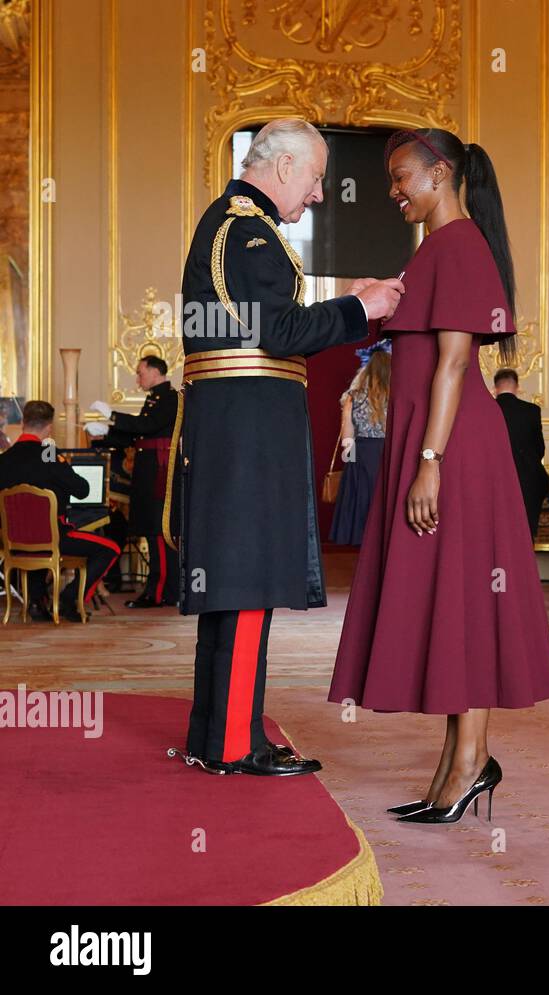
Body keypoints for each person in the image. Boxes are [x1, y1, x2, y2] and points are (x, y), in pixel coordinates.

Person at [329, 127, 549, 824]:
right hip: (435, 444)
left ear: (442, 173)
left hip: (454, 451)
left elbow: (456, 365)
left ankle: (468, 763)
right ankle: (458, 765)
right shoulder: (436, 248)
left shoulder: (459, 246)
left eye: (403, 177)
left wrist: (428, 464)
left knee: (464, 597)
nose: (395, 190)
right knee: (453, 599)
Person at [174, 118, 403, 776]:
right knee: (248, 581)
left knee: (235, 585)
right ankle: (230, 745)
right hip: (249, 435)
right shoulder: (247, 229)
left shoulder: (230, 222)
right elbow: (277, 330)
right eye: (315, 177)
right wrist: (361, 307)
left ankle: (220, 734)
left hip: (236, 429)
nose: (320, 193)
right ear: (281, 169)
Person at [0, 400, 120, 621]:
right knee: (109, 548)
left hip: (10, 542)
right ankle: (71, 597)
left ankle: (36, 600)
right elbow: (83, 490)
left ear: (24, 423)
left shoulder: (3, 460)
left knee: (32, 537)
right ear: (49, 427)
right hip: (53, 539)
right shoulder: (51, 457)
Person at [87, 355, 180, 607]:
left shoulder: (170, 398)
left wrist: (112, 417)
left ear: (154, 372)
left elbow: (147, 426)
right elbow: (138, 436)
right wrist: (105, 435)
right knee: (152, 531)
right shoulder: (154, 398)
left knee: (158, 532)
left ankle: (161, 592)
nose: (138, 378)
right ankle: (157, 590)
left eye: (140, 373)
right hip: (149, 473)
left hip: (158, 475)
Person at [329, 341, 391, 546]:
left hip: (361, 452)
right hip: (388, 452)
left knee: (361, 501)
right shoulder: (396, 396)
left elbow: (347, 434)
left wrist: (350, 459)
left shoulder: (352, 397)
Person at [494, 367, 549, 539]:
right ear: (517, 386)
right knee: (526, 531)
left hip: (495, 481)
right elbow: (539, 448)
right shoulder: (531, 410)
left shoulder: (488, 409)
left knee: (497, 531)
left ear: (496, 387)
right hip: (527, 480)